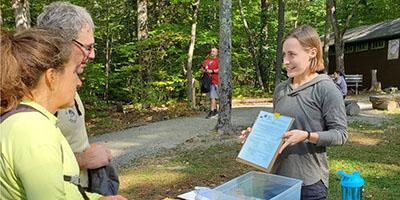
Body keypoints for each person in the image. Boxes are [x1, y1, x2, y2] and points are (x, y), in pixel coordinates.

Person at [0, 29, 125, 200]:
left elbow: (63, 189)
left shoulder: (29, 121)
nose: (79, 82)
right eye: (74, 72)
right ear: (51, 77)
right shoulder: (34, 131)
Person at [241, 25, 347, 200]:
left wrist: (306, 135)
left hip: (308, 182)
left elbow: (340, 134)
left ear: (312, 52)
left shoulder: (326, 88)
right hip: (275, 179)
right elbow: (278, 122)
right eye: (284, 54)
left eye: (292, 54)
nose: (285, 61)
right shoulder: (281, 89)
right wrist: (258, 134)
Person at [37, 2, 112, 191]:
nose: (92, 54)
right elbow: (26, 157)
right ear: (62, 43)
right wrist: (82, 160)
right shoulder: (39, 89)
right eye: (87, 47)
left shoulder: (66, 81)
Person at [201, 47, 219, 119]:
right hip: (209, 82)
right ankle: (213, 111)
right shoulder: (206, 61)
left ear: (216, 53)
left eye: (214, 51)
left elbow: (220, 69)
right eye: (211, 51)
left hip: (217, 81)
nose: (212, 52)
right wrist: (205, 70)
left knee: (215, 97)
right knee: (212, 97)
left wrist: (212, 71)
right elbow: (202, 69)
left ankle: (214, 111)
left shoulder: (219, 60)